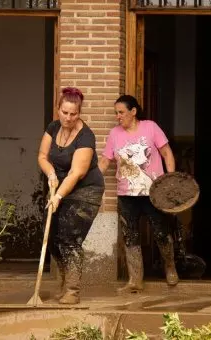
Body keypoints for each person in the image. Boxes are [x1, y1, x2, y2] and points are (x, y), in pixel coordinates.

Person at [98, 94, 178, 293]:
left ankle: (170, 267)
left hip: (153, 193)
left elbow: (166, 153)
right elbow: (105, 161)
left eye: (121, 112)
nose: (118, 116)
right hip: (126, 195)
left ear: (133, 112)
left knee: (161, 232)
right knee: (130, 235)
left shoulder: (150, 127)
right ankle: (135, 280)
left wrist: (170, 179)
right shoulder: (114, 134)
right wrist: (87, 179)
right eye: (116, 113)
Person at [37, 87, 104, 304]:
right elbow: (42, 156)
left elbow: (77, 172)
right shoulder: (53, 127)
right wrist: (50, 173)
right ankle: (65, 280)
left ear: (79, 113)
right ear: (58, 109)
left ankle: (73, 291)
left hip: (86, 190)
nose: (68, 118)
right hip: (59, 185)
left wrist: (58, 197)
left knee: (69, 237)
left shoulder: (86, 136)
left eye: (73, 114)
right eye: (64, 112)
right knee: (52, 235)